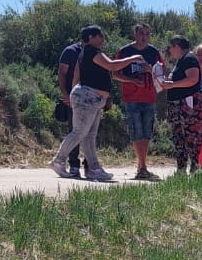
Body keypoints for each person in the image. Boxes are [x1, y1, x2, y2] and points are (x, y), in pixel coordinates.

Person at [49, 26, 144, 182]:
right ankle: (58, 161)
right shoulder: (92, 52)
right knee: (79, 132)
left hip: (92, 98)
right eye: (100, 36)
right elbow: (112, 66)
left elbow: (78, 75)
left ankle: (94, 168)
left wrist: (74, 95)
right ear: (91, 37)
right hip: (87, 97)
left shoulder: (83, 53)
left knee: (89, 136)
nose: (103, 39)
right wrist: (133, 58)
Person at [113, 23, 163, 181]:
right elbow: (115, 74)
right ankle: (142, 167)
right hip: (132, 97)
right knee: (136, 131)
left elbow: (162, 74)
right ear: (135, 34)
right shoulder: (125, 51)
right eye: (141, 33)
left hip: (149, 97)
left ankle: (142, 166)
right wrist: (132, 81)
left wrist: (151, 70)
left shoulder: (153, 52)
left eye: (148, 34)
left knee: (147, 132)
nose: (144, 37)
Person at [156, 36, 202, 174]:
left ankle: (195, 168)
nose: (170, 51)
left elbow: (193, 79)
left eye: (171, 47)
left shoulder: (189, 59)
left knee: (192, 136)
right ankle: (181, 169)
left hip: (188, 106)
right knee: (179, 137)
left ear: (177, 46)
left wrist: (172, 84)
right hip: (177, 106)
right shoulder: (180, 61)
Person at [56, 38, 85, 178]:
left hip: (91, 98)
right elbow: (62, 73)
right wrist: (65, 94)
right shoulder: (70, 51)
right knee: (75, 131)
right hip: (73, 97)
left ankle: (90, 165)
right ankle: (73, 164)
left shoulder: (97, 52)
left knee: (89, 133)